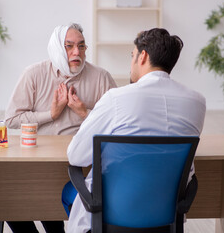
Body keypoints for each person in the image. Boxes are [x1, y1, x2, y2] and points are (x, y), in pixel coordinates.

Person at [64, 28, 206, 233]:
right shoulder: (197, 102)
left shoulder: (117, 98)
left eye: (132, 56)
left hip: (110, 213)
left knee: (68, 192)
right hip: (164, 215)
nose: (131, 63)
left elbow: (76, 156)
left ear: (143, 56)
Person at [4, 23, 117, 233]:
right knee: (7, 202)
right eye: (69, 46)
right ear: (57, 48)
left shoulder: (101, 77)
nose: (77, 52)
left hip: (83, 165)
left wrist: (84, 112)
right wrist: (51, 114)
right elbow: (11, 119)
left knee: (58, 197)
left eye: (82, 46)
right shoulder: (33, 74)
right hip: (37, 163)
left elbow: (117, 126)